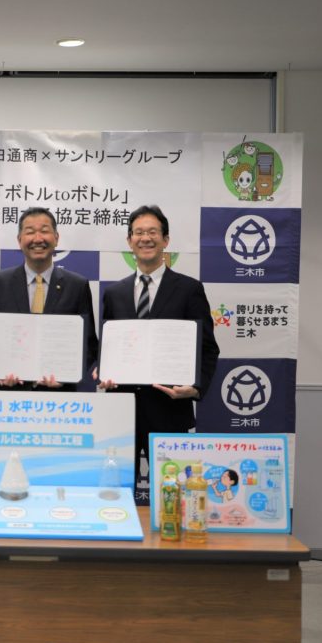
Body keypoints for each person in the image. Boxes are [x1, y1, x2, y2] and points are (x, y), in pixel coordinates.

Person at [97, 204, 220, 497]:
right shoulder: (114, 293)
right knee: (118, 496)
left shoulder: (189, 289)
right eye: (138, 233)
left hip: (169, 410)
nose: (145, 238)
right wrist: (103, 370)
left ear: (166, 240)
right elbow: (109, 346)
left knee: (173, 496)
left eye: (153, 232)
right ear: (129, 241)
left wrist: (195, 388)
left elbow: (207, 348)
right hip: (122, 411)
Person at [0, 207, 98, 392]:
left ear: (56, 238)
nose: (38, 239)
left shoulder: (77, 285)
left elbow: (89, 344)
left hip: (60, 397)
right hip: (11, 396)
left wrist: (68, 374)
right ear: (19, 240)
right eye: (30, 232)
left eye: (44, 231)